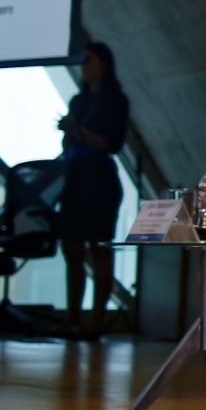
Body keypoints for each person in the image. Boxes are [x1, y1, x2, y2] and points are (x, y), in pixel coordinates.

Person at [52, 41, 129, 340]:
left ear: (103, 63)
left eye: (88, 60)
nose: (83, 66)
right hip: (76, 177)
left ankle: (95, 320)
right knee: (71, 247)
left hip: (99, 180)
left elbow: (112, 144)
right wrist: (68, 133)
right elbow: (69, 142)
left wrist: (79, 132)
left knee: (99, 247)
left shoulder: (116, 101)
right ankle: (71, 316)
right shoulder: (78, 100)